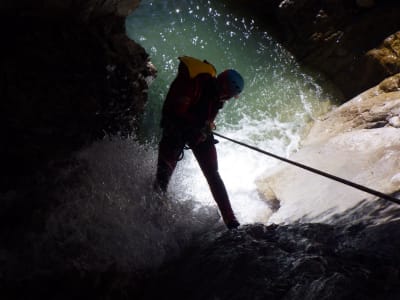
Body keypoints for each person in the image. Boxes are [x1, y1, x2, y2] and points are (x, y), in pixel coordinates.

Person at [154, 56, 244, 230]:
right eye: (230, 96)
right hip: (176, 131)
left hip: (198, 130)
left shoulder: (217, 97)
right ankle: (155, 216)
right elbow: (175, 113)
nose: (229, 99)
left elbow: (208, 117)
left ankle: (231, 220)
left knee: (213, 174)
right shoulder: (193, 84)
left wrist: (204, 130)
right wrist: (196, 127)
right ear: (225, 89)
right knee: (162, 179)